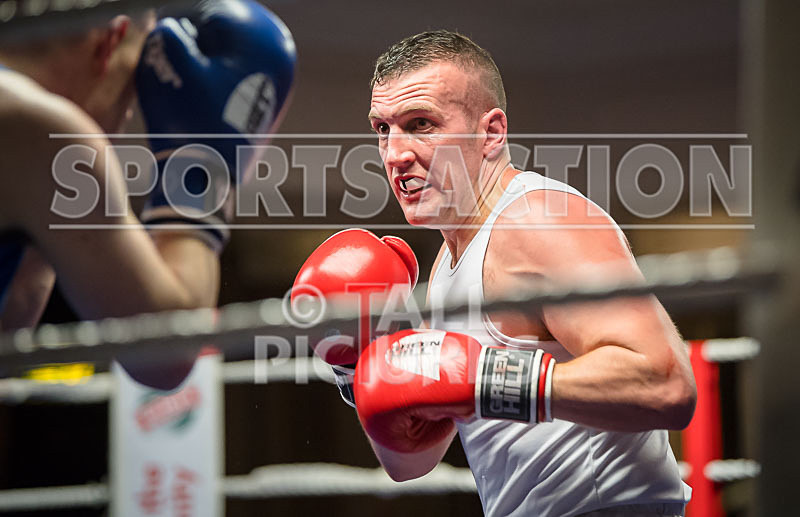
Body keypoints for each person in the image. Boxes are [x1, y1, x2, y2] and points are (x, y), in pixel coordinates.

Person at [308, 30, 696, 517]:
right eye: (383, 129)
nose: (395, 154)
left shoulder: (539, 219)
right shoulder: (449, 264)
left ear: (490, 133)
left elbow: (667, 385)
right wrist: (357, 366)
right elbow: (414, 460)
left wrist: (486, 378)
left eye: (421, 123)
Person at [0, 0, 295, 388]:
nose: (126, 117)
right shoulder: (41, 127)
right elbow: (165, 352)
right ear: (110, 40)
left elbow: (11, 320)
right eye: (134, 84)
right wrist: (200, 166)